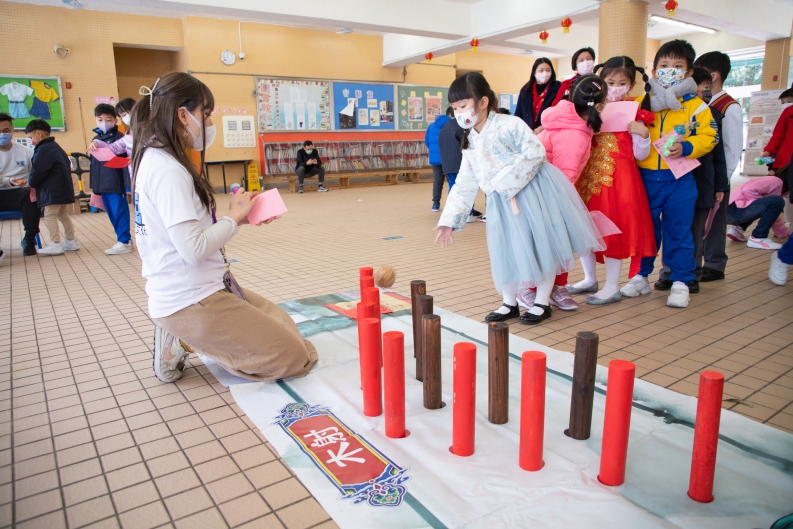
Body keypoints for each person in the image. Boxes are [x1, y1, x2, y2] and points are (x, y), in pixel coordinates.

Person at [131, 72, 318, 383]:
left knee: (285, 326)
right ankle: (185, 338)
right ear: (183, 115)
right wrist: (232, 218)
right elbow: (193, 249)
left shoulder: (156, 159)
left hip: (210, 285)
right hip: (192, 299)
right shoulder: (167, 170)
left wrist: (240, 217)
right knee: (295, 357)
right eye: (206, 114)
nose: (209, 123)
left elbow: (187, 233)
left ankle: (193, 335)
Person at [435, 72, 604, 325]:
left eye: (463, 105)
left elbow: (535, 153)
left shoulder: (510, 124)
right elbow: (465, 181)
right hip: (500, 202)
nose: (459, 113)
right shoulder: (470, 139)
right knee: (505, 249)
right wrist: (449, 220)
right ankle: (509, 302)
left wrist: (504, 183)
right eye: (455, 108)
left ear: (483, 102)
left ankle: (542, 302)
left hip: (531, 194)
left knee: (540, 246)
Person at [619, 39, 717, 308]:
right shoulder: (640, 103)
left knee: (679, 232)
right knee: (645, 233)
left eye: (677, 66)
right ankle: (641, 277)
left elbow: (709, 137)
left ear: (688, 73)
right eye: (664, 65)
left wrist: (687, 147)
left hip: (679, 180)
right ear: (654, 71)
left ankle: (681, 281)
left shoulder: (696, 106)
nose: (669, 70)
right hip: (645, 180)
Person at [566, 56, 657, 305]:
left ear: (631, 85)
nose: (616, 87)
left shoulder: (635, 113)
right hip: (587, 177)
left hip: (619, 182)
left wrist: (643, 136)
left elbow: (640, 155)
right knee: (586, 226)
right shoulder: (590, 107)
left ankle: (612, 285)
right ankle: (589, 278)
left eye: (623, 83)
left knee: (613, 230)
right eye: (610, 82)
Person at [517, 74, 607, 312]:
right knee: (550, 242)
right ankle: (531, 289)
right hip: (551, 194)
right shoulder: (575, 133)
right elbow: (566, 174)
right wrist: (563, 205)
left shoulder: (566, 119)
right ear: (598, 106)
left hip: (541, 190)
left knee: (558, 242)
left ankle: (556, 286)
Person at [656, 67, 729, 293]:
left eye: (705, 88)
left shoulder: (710, 114)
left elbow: (719, 155)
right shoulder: (665, 108)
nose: (701, 92)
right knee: (673, 229)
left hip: (702, 179)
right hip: (675, 177)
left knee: (693, 230)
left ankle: (692, 274)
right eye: (698, 87)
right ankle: (668, 272)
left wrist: (721, 185)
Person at [695, 51, 743, 282]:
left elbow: (732, 148)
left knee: (715, 221)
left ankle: (714, 264)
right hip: (701, 173)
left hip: (718, 176)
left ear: (712, 76)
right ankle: (700, 260)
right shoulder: (700, 104)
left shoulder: (728, 107)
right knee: (700, 221)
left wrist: (722, 181)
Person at [24, 120, 77, 255]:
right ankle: (71, 241)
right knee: (63, 214)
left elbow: (38, 170)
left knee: (49, 215)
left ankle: (55, 243)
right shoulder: (56, 147)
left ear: (38, 134)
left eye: (31, 137)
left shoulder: (44, 149)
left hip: (52, 190)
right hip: (63, 188)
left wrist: (31, 182)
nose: (31, 140)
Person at [90, 103, 132, 254]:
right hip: (103, 185)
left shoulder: (120, 138)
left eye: (108, 119)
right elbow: (95, 165)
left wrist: (127, 185)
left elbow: (126, 163)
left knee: (119, 212)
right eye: (100, 119)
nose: (104, 123)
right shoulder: (96, 139)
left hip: (116, 183)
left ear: (115, 120)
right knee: (112, 214)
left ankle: (124, 241)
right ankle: (122, 239)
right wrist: (95, 186)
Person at [0, 113, 39, 256]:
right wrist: (7, 180)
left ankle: (29, 239)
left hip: (20, 192)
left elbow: (36, 173)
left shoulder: (26, 152)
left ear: (12, 130)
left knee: (31, 195)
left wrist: (28, 182)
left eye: (5, 130)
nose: (2, 134)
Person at [438, 106, 483, 222]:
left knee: (453, 187)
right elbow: (468, 143)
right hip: (460, 162)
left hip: (447, 163)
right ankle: (468, 214)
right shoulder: (461, 126)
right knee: (466, 187)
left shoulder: (444, 127)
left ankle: (454, 213)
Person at [724, 176, 786, 250]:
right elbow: (747, 190)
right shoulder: (777, 182)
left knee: (766, 204)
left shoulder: (767, 180)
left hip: (727, 212)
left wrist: (783, 232)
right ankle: (758, 237)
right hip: (733, 212)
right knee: (776, 201)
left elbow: (772, 213)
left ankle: (737, 229)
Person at [514, 58, 562, 132]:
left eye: (548, 70)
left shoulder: (558, 87)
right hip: (528, 132)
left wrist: (545, 127)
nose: (545, 73)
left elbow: (561, 114)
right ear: (534, 72)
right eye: (541, 70)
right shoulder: (525, 90)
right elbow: (518, 114)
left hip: (549, 131)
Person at [426, 109, 452, 211]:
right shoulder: (451, 126)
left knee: (437, 181)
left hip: (435, 159)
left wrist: (434, 151)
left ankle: (435, 204)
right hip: (448, 158)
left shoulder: (431, 126)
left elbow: (427, 142)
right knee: (451, 180)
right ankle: (452, 204)